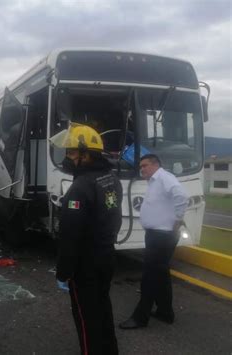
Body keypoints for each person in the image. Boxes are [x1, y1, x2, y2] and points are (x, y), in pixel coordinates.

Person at [52, 123, 123, 355]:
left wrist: (64, 271)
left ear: (86, 155)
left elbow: (70, 235)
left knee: (85, 317)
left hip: (86, 264)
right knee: (102, 307)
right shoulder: (111, 178)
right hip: (106, 256)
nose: (68, 157)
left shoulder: (80, 188)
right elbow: (114, 217)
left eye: (72, 152)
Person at [119, 154, 189, 329]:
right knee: (161, 274)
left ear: (156, 165)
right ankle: (165, 312)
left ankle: (140, 318)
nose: (142, 169)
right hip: (156, 235)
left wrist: (178, 219)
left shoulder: (165, 178)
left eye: (145, 166)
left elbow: (181, 196)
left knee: (150, 277)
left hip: (162, 236)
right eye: (140, 166)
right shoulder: (153, 181)